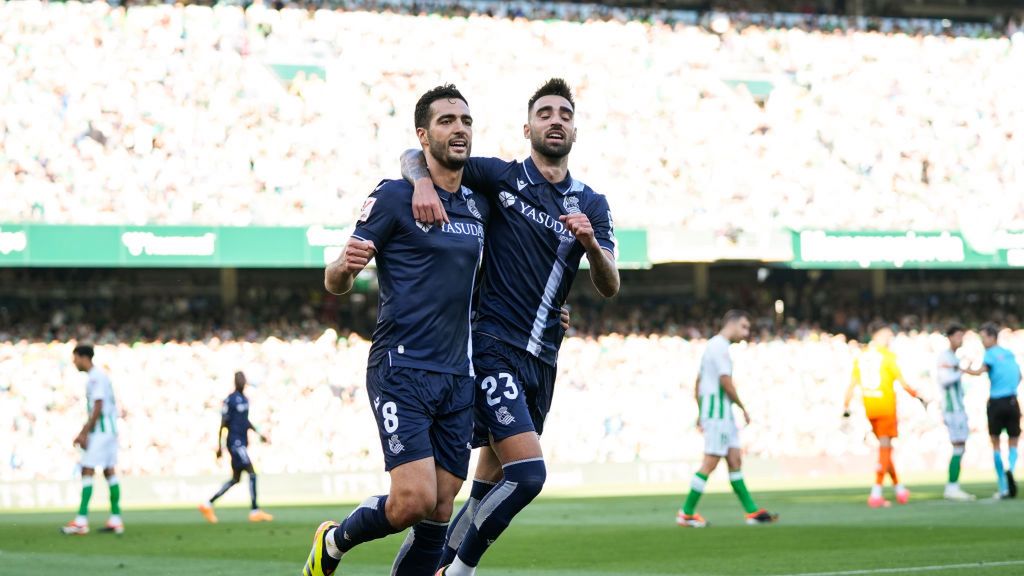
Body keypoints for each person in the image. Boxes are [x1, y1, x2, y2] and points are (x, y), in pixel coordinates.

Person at [401, 78, 620, 576]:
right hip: (492, 345)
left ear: (575, 129)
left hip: (543, 359)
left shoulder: (593, 203)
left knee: (485, 484)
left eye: (564, 113)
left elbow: (610, 284)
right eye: (545, 113)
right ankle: (460, 572)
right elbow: (419, 157)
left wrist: (588, 244)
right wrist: (418, 182)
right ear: (528, 128)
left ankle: (434, 565)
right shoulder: (499, 176)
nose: (555, 120)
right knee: (527, 475)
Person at [302, 84, 489, 576]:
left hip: (458, 374)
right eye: (447, 120)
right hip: (401, 366)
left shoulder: (479, 203)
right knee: (411, 501)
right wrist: (345, 266)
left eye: (466, 120)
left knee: (442, 507)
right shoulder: (392, 196)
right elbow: (334, 279)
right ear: (424, 135)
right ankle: (333, 542)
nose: (460, 128)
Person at [676, 310, 778, 528]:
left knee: (734, 460)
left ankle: (752, 512)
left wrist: (700, 411)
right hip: (719, 414)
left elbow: (698, 382)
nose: (746, 332)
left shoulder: (712, 346)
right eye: (744, 326)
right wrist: (743, 408)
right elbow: (725, 382)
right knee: (710, 462)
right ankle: (686, 513)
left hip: (720, 414)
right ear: (732, 324)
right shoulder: (719, 347)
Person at [843, 322, 925, 508]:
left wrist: (846, 406)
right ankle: (876, 493)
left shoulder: (861, 357)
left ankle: (899, 489)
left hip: (870, 407)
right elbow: (903, 382)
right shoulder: (887, 357)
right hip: (886, 406)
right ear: (878, 335)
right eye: (888, 335)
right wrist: (918, 396)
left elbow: (852, 383)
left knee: (884, 450)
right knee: (885, 450)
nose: (890, 339)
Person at [61, 344, 124, 535]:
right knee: (109, 471)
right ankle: (116, 519)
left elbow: (98, 405)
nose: (74, 362)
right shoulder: (100, 376)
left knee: (87, 469)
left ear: (83, 357)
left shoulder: (95, 378)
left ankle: (81, 521)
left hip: (101, 431)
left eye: (75, 358)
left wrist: (85, 432)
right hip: (110, 430)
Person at [199, 371, 273, 523]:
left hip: (242, 442)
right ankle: (254, 511)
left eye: (243, 379)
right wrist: (219, 446)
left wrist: (259, 434)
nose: (241, 381)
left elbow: (246, 421)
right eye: (239, 379)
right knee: (252, 473)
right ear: (235, 382)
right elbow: (223, 423)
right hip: (234, 443)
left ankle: (207, 504)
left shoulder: (245, 400)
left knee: (235, 479)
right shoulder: (230, 400)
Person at [963, 323, 1022, 499]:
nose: (982, 341)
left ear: (992, 337)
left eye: (984, 337)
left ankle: (1003, 485)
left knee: (995, 442)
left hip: (996, 402)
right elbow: (1019, 376)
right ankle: (1010, 468)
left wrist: (965, 369)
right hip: (1012, 401)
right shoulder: (1009, 354)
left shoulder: (990, 355)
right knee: (1013, 441)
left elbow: (980, 371)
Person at [936, 324, 975, 501]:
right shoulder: (945, 357)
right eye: (958, 336)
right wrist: (961, 370)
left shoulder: (953, 357)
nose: (960, 340)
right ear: (950, 337)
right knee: (958, 445)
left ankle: (953, 485)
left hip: (958, 407)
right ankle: (952, 487)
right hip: (952, 409)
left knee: (960, 446)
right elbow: (945, 380)